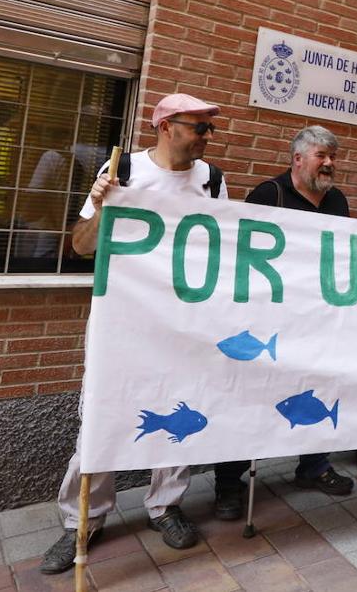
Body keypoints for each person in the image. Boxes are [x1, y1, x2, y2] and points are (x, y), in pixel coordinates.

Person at [40, 93, 225, 574]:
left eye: (209, 129)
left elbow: (227, 249)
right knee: (105, 415)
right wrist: (103, 205)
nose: (207, 137)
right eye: (199, 127)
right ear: (166, 126)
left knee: (182, 415)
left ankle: (166, 506)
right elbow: (81, 246)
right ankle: (82, 520)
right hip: (125, 324)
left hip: (185, 325)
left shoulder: (213, 180)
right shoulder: (123, 171)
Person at [213, 125, 356, 515]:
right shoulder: (268, 195)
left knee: (317, 390)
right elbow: (240, 252)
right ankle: (228, 482)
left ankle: (314, 466)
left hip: (317, 322)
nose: (329, 163)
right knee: (254, 395)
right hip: (269, 322)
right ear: (298, 159)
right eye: (321, 156)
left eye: (333, 156)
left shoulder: (337, 201)